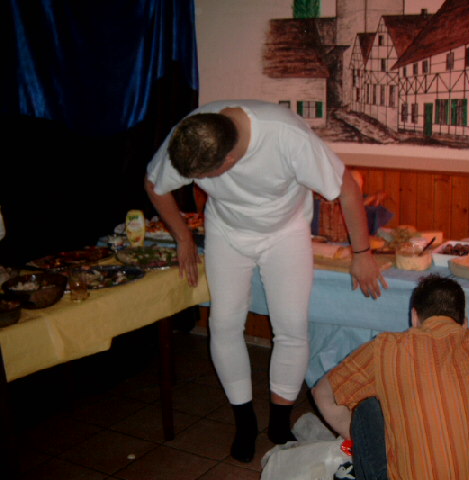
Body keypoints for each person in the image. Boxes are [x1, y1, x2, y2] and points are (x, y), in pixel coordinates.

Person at [144, 99, 388, 463]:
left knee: (291, 327)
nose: (201, 184)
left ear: (230, 160)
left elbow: (347, 188)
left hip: (285, 231)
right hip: (227, 231)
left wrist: (362, 253)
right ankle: (244, 421)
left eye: (206, 178)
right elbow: (154, 184)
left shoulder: (286, 135)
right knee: (224, 323)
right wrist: (183, 238)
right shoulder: (194, 132)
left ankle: (279, 421)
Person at [312, 274, 469, 480]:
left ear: (414, 317)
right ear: (465, 322)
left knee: (368, 409)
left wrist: (359, 443)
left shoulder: (387, 348)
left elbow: (322, 395)